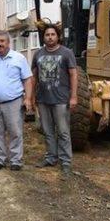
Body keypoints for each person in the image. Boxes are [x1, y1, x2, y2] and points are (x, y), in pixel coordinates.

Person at [0, 31, 33, 170]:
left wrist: (28, 98)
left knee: (15, 131)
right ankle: (0, 159)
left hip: (14, 102)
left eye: (2, 41)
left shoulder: (19, 58)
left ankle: (16, 160)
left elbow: (27, 79)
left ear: (8, 42)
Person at [31, 23, 78, 174]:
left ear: (58, 36)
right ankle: (51, 157)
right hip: (43, 99)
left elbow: (73, 75)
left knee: (63, 131)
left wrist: (74, 97)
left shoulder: (67, 53)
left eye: (52, 34)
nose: (50, 37)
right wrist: (31, 97)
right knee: (48, 131)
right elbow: (33, 77)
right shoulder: (38, 54)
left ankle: (65, 161)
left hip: (61, 100)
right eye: (47, 35)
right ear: (43, 37)